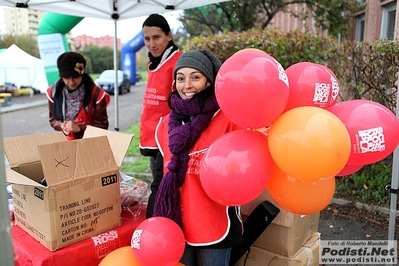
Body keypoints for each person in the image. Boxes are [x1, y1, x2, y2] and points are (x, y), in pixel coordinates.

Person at [153, 50, 243, 266]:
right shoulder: (165, 124)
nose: (187, 85)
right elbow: (160, 176)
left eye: (195, 77)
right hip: (176, 222)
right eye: (181, 78)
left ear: (209, 81)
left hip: (215, 223)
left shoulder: (228, 120)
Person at [140, 13, 183, 218]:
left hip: (169, 136)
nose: (151, 43)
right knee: (158, 180)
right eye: (147, 39)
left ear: (169, 36)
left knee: (160, 183)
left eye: (156, 37)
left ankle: (153, 228)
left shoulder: (179, 61)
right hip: (152, 136)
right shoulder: (152, 63)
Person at [46, 52, 110, 140]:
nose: (71, 82)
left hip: (90, 143)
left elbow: (102, 125)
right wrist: (61, 126)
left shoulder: (97, 94)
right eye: (67, 78)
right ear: (61, 77)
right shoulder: (53, 92)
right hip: (65, 142)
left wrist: (79, 128)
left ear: (82, 75)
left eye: (75, 77)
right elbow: (53, 120)